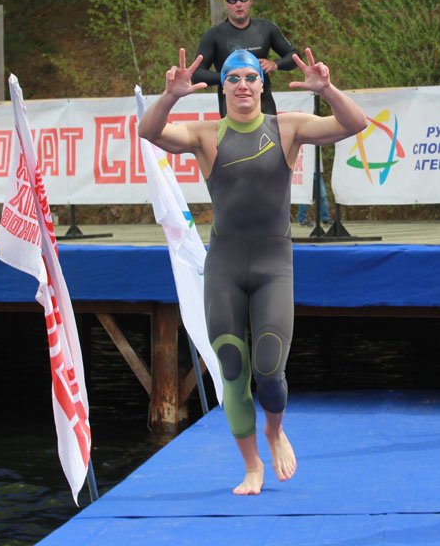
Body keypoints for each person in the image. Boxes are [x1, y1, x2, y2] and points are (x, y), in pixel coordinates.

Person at [139, 47, 367, 495]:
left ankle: (274, 430)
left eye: (249, 77)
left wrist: (327, 89)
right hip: (224, 266)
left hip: (273, 266)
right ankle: (251, 466)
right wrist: (169, 96)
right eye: (233, 78)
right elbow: (149, 132)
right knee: (230, 364)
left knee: (269, 368)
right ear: (223, 88)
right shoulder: (206, 135)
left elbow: (354, 123)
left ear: (262, 84)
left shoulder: (287, 128)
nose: (242, 85)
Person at [192, 0, 298, 117]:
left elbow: (294, 57)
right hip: (232, 113)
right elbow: (196, 74)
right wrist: (227, 76)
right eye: (232, 0)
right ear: (225, 4)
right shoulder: (215, 35)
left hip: (264, 108)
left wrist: (275, 64)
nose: (239, 4)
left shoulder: (266, 28)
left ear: (250, 1)